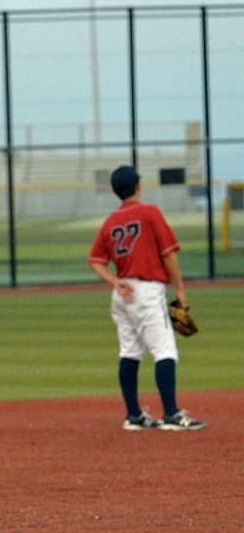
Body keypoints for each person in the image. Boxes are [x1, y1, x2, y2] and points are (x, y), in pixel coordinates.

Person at [88, 164, 206, 431]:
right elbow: (168, 253)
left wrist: (114, 280)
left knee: (130, 352)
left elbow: (95, 261)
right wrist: (179, 288)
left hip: (122, 293)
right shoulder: (150, 212)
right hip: (147, 291)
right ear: (138, 185)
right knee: (165, 351)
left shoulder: (110, 222)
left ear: (116, 191)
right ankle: (172, 415)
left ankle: (134, 416)